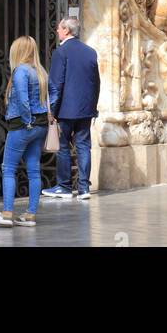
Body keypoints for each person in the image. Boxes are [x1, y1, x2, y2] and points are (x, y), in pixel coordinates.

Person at [0, 36, 50, 228]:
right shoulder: (40, 71)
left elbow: (22, 99)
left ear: (19, 51)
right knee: (34, 170)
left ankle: (6, 213)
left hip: (23, 126)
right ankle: (30, 214)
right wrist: (44, 115)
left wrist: (27, 119)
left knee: (8, 168)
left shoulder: (21, 71)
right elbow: (52, 95)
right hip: (40, 126)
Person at [42, 18, 100, 201]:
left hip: (65, 110)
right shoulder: (90, 52)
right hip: (85, 109)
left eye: (59, 28)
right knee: (84, 147)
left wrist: (52, 110)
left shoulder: (61, 52)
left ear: (66, 30)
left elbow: (56, 85)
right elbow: (96, 83)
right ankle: (84, 188)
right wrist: (93, 107)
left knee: (63, 147)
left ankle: (64, 186)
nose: (57, 31)